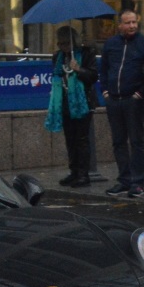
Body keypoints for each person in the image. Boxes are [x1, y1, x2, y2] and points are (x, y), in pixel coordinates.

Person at [98, 9, 144, 197]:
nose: (131, 26)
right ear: (119, 25)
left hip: (133, 100)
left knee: (136, 141)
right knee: (118, 142)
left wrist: (140, 94)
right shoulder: (111, 44)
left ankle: (137, 182)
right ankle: (124, 180)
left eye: (134, 22)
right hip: (114, 99)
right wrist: (105, 91)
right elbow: (104, 69)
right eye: (127, 23)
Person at [45, 25, 98, 188]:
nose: (63, 47)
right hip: (65, 100)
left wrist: (78, 69)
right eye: (60, 44)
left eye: (66, 43)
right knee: (70, 138)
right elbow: (57, 76)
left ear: (73, 42)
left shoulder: (86, 54)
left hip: (82, 102)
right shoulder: (58, 57)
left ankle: (83, 174)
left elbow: (93, 77)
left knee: (81, 139)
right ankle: (74, 171)